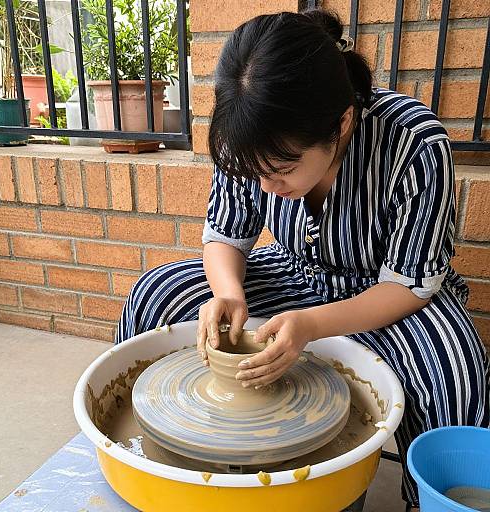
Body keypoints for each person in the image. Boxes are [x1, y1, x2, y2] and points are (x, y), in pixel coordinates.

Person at [115, 8, 490, 511]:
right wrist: (228, 292)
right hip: (296, 273)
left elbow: (410, 284)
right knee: (155, 296)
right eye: (254, 171)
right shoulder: (247, 137)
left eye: (283, 169)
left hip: (389, 295)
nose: (266, 187)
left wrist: (311, 325)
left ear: (342, 123)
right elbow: (226, 236)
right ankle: (179, 467)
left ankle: (424, 502)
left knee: (453, 369)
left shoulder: (414, 142)